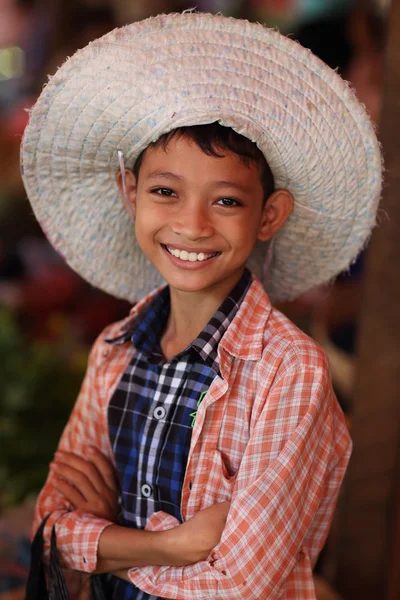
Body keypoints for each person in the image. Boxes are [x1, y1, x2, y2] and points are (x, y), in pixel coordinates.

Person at [21, 11, 382, 600]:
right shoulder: (115, 350)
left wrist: (101, 547)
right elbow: (48, 529)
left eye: (226, 201)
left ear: (268, 216)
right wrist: (175, 545)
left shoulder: (289, 374)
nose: (191, 225)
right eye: (165, 191)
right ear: (129, 193)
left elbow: (242, 581)